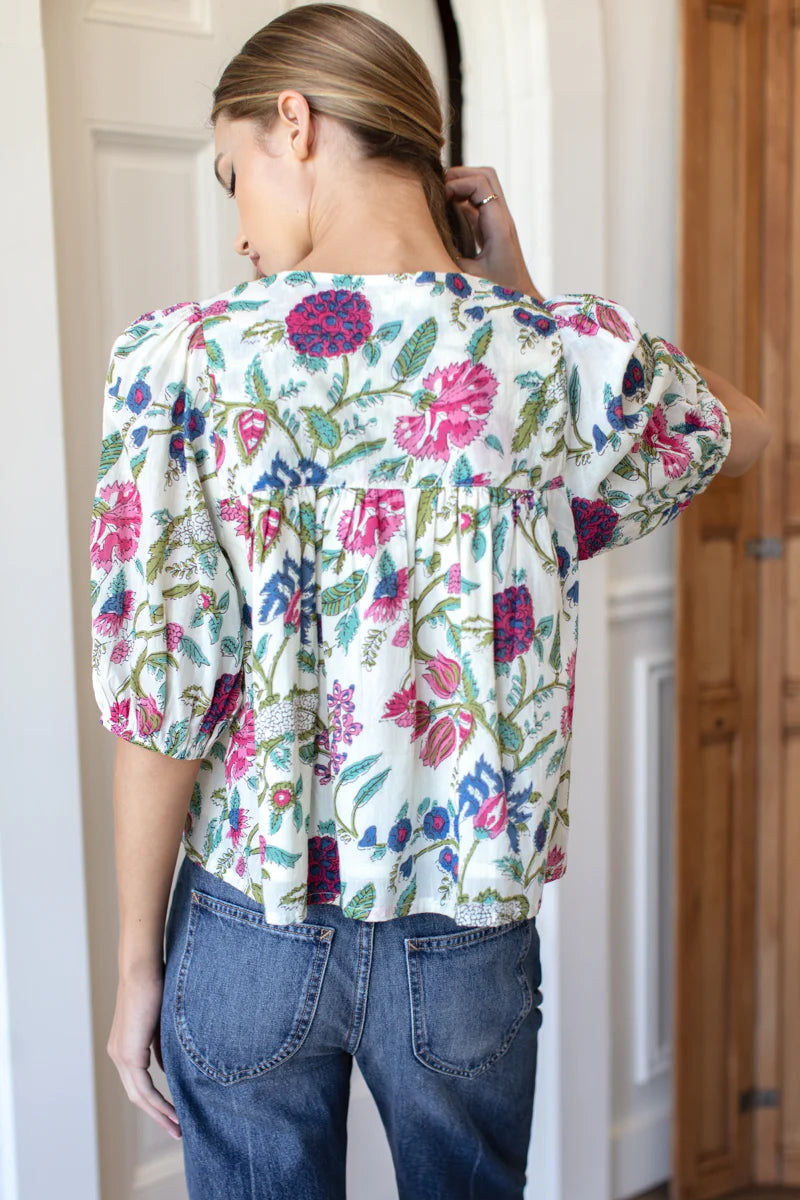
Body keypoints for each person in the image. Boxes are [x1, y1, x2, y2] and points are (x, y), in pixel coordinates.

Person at [90, 5, 772, 1198]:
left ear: (293, 122)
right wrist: (526, 295)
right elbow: (750, 431)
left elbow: (163, 699)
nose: (239, 230)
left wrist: (135, 962)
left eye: (233, 175)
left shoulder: (181, 362)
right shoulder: (544, 360)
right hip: (462, 940)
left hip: (248, 919)